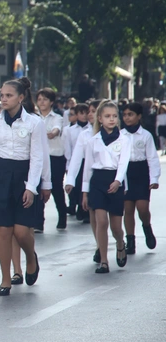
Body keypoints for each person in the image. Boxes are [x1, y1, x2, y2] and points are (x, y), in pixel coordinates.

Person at [0, 78, 48, 296]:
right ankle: (5, 279)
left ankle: (31, 257)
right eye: (2, 95)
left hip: (23, 176)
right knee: (4, 230)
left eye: (9, 95)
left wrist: (31, 187)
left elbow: (38, 156)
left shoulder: (34, 123)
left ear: (20, 98)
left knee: (21, 231)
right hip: (0, 176)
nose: (4, 99)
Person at [68, 100, 130, 273]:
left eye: (114, 116)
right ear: (100, 119)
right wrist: (85, 193)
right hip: (98, 182)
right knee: (101, 221)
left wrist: (118, 181)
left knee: (116, 227)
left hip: (115, 181)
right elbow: (88, 167)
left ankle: (120, 242)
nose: (111, 119)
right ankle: (104, 260)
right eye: (107, 116)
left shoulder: (124, 140)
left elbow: (123, 163)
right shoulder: (93, 140)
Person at [121, 102, 159, 253]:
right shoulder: (120, 135)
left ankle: (147, 227)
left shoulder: (146, 136)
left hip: (141, 172)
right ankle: (130, 240)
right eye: (124, 115)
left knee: (142, 208)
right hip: (126, 173)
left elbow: (152, 158)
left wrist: (154, 178)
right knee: (128, 209)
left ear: (139, 116)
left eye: (130, 114)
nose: (127, 118)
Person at [37, 88, 68, 231]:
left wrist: (52, 133)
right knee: (38, 187)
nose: (41, 102)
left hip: (55, 157)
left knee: (56, 188)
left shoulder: (57, 118)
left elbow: (56, 130)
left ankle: (62, 215)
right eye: (39, 99)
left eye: (45, 99)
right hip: (39, 157)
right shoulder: (34, 117)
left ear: (51, 102)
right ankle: (38, 221)